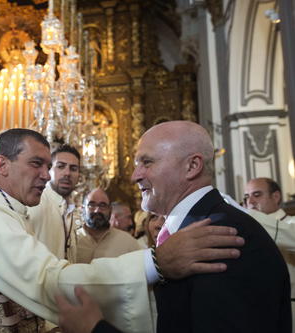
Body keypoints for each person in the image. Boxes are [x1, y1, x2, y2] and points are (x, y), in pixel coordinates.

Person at [0, 128, 244, 333]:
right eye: (37, 164)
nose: (47, 176)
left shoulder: (12, 210)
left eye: (49, 166)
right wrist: (154, 263)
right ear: (2, 164)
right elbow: (49, 279)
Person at [133, 121, 290, 332]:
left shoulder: (224, 235)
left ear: (192, 166)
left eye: (147, 162)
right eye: (136, 164)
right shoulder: (194, 227)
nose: (136, 175)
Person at [244, 177, 295, 331]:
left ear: (276, 196)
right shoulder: (245, 228)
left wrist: (245, 215)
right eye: (246, 197)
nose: (250, 201)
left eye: (257, 195)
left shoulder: (292, 223)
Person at [28, 144, 81, 261]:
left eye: (73, 169)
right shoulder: (35, 203)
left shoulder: (71, 209)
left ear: (79, 175)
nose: (67, 173)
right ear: (48, 170)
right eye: (61, 166)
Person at [76, 188, 141, 263]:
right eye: (92, 205)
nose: (97, 210)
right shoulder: (73, 240)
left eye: (102, 205)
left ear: (110, 209)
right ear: (83, 209)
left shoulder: (128, 242)